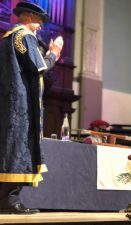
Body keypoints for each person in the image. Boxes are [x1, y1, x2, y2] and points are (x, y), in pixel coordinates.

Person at [0, 2, 63, 214]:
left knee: (9, 147)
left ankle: (6, 200)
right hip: (20, 104)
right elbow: (40, 66)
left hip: (8, 101)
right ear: (27, 16)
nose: (41, 26)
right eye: (38, 21)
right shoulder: (23, 36)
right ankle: (9, 201)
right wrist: (54, 53)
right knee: (18, 148)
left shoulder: (6, 38)